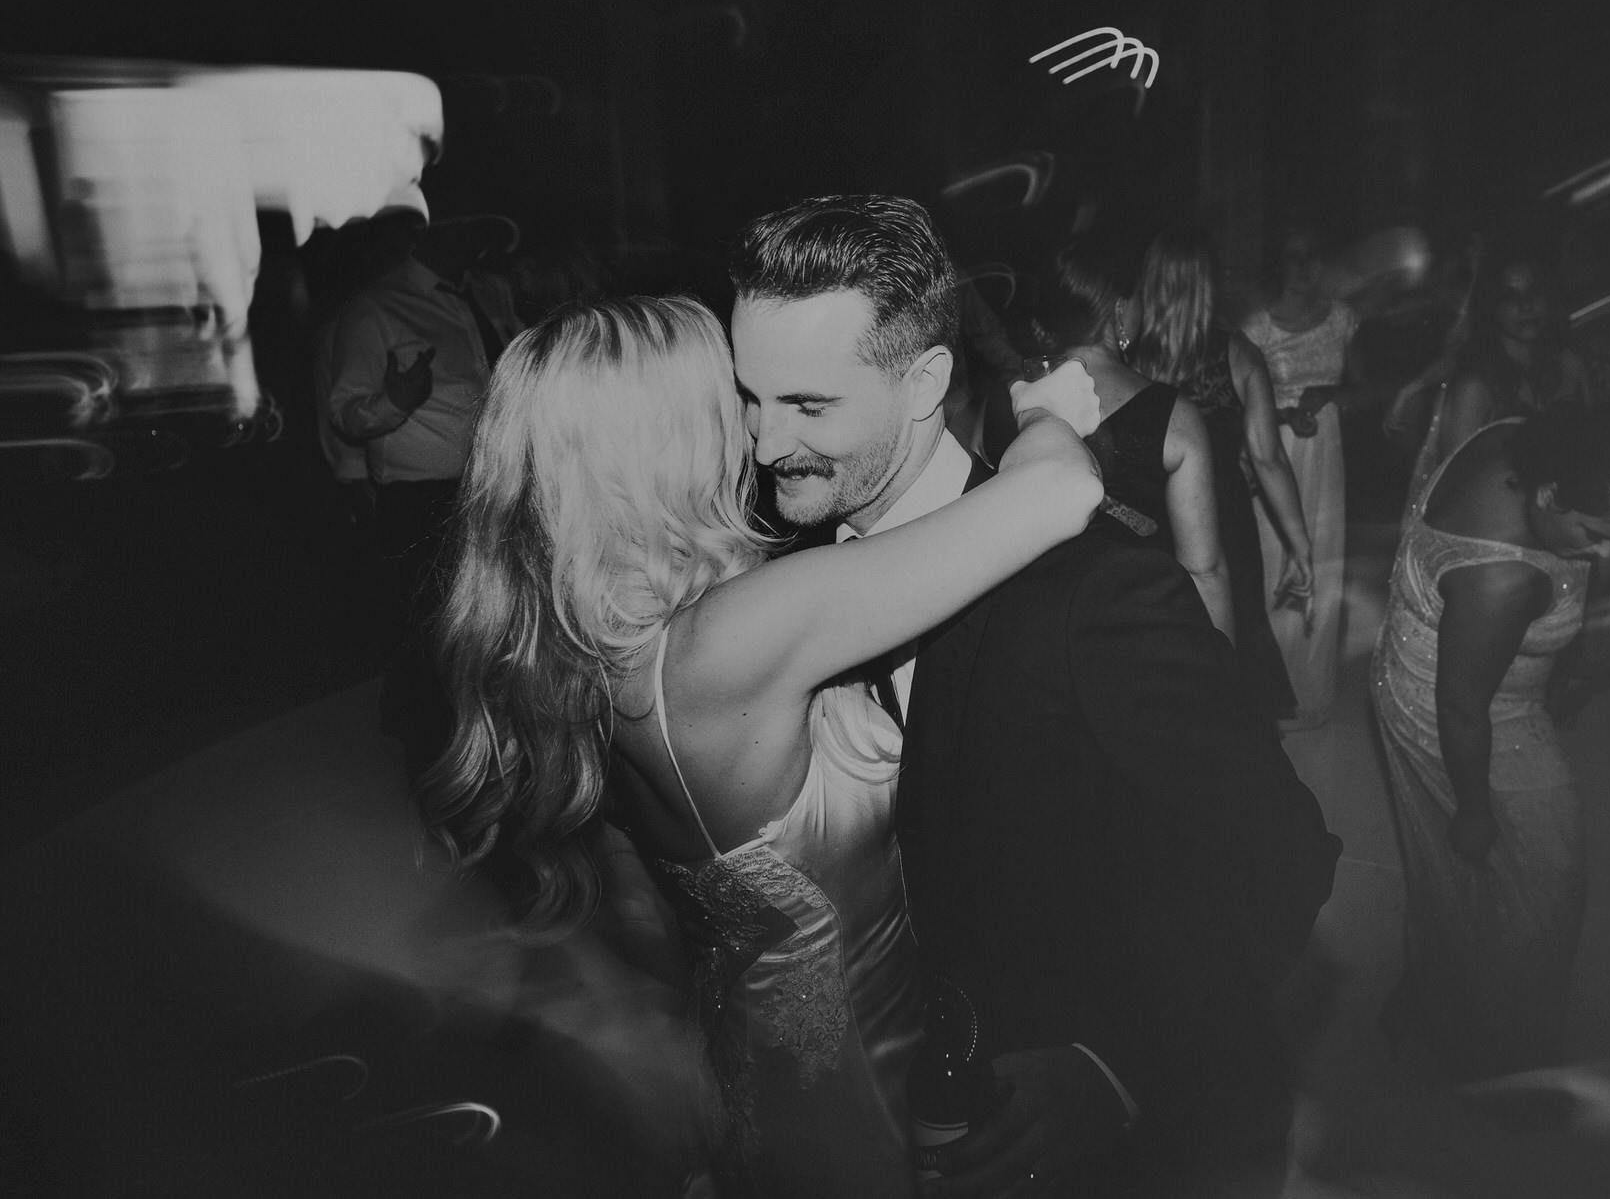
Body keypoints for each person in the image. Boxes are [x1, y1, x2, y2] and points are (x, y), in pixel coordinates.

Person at [419, 294, 1106, 1198]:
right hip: (874, 1100)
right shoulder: (731, 638)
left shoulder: (577, 658)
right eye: (735, 398)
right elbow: (1063, 491)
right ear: (667, 444)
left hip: (757, 1087)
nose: (757, 426)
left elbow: (653, 931)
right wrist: (1050, 416)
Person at [730, 195, 1340, 1199]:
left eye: (805, 406)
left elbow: (1278, 854)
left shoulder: (1089, 589)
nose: (762, 444)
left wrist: (1113, 1065)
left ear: (925, 380)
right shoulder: (794, 577)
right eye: (749, 397)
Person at [1372, 405, 1610, 1077]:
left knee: (1460, 875)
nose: (1600, 549)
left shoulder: (1519, 440)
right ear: (1549, 495)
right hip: (1461, 714)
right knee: (1546, 880)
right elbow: (1463, 707)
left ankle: (1431, 994)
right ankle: (1505, 1052)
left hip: (1430, 667)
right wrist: (1473, 806)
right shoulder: (1505, 577)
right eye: (1590, 530)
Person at [326, 211, 525, 759]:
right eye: (467, 222)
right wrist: (397, 401)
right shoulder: (376, 308)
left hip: (491, 484)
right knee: (426, 635)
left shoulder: (486, 294)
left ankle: (475, 746)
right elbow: (344, 412)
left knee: (485, 624)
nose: (481, 236)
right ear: (428, 230)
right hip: (420, 496)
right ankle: (431, 761)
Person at [1114, 228, 1307, 722]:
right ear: (1206, 285)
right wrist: (1301, 546)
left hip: (1146, 522)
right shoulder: (1238, 354)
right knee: (1234, 637)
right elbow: (1268, 458)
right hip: (1221, 524)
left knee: (1158, 647)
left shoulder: (1122, 361)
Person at [1237, 222, 1419, 728]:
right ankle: (1268, 695)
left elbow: (1363, 391)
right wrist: (1279, 414)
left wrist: (1331, 396)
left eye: (1313, 254)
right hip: (1273, 451)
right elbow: (1232, 405)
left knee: (1322, 559)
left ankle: (1309, 693)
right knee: (1274, 563)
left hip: (1327, 449)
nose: (1305, 266)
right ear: (1281, 262)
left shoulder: (1343, 320)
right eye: (1295, 255)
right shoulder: (1256, 327)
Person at [1028, 247, 1234, 639]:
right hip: (1138, 633)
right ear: (1121, 312)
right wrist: (1224, 678)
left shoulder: (1001, 408)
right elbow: (1204, 571)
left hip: (1035, 631)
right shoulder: (1175, 418)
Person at [1388, 233, 1592, 526]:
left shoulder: (1570, 365)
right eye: (1511, 298)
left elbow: (1591, 453)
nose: (1526, 306)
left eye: (1533, 293)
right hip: (1496, 536)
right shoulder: (1476, 387)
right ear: (1492, 308)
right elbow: (1455, 488)